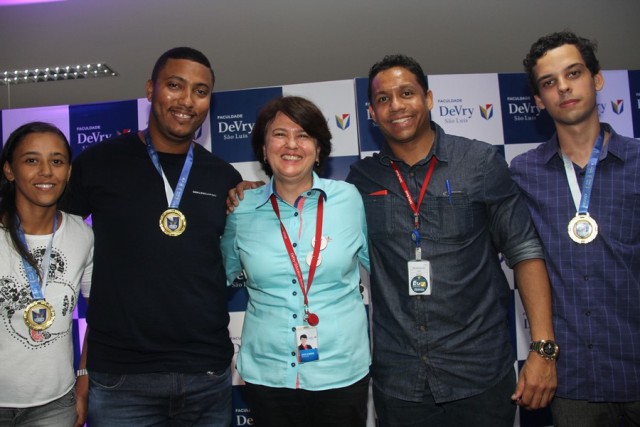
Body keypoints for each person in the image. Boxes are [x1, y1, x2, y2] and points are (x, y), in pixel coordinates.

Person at [345, 54, 557, 426]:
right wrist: (248, 191)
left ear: (428, 99)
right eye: (383, 99)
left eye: (406, 93)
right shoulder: (360, 180)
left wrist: (542, 350)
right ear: (372, 113)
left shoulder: (479, 161)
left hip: (479, 373)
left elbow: (525, 251)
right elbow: (310, 213)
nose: (396, 105)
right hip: (400, 381)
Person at [67, 47, 242, 426]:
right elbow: (47, 238)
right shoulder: (99, 164)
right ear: (150, 89)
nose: (187, 101)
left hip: (206, 376)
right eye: (174, 86)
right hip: (120, 378)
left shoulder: (223, 176)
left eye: (200, 90)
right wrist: (81, 370)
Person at [511, 31, 640, 427]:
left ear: (597, 79)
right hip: (572, 381)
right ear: (538, 100)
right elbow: (521, 260)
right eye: (549, 83)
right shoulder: (522, 172)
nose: (563, 87)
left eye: (574, 73)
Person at [221, 96, 371, 427]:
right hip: (268, 374)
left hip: (341, 370)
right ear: (263, 148)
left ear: (319, 150)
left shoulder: (349, 200)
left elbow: (381, 269)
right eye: (279, 134)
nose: (292, 144)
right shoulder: (241, 209)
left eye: (303, 135)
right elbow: (224, 274)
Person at [0, 122, 93, 427]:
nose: (46, 171)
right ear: (9, 170)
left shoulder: (83, 235)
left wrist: (83, 380)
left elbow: (100, 314)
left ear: (68, 172)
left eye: (56, 161)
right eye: (31, 160)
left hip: (53, 406)